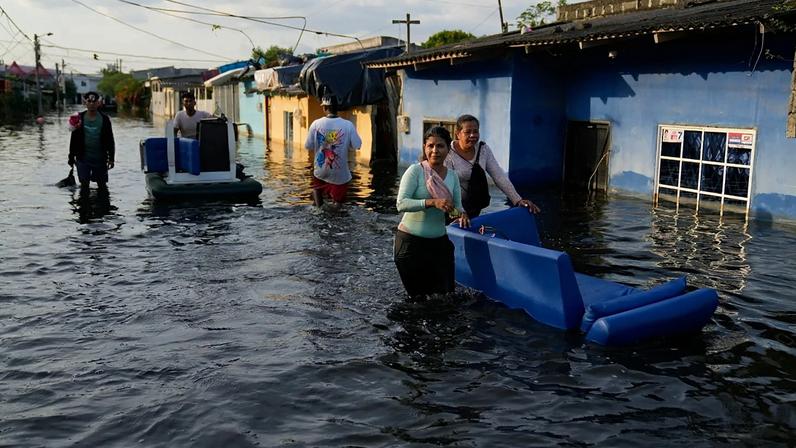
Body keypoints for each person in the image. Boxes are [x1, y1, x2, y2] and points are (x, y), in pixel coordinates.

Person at [394, 126, 470, 299]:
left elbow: (457, 207)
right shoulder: (415, 171)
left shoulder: (452, 176)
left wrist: (461, 214)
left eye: (440, 146)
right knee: (419, 301)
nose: (435, 150)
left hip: (439, 244)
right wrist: (431, 202)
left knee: (446, 296)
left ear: (448, 149)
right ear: (424, 148)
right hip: (410, 245)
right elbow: (401, 204)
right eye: (431, 146)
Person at [445, 114, 541, 217]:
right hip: (452, 209)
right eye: (467, 132)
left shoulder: (483, 149)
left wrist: (518, 200)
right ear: (457, 134)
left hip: (474, 207)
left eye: (475, 131)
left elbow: (499, 176)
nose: (472, 135)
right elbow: (447, 187)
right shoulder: (448, 153)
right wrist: (459, 212)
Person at [304, 95, 362, 211]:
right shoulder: (348, 125)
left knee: (316, 188)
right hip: (339, 174)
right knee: (338, 207)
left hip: (321, 171)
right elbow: (357, 145)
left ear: (325, 108)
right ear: (337, 108)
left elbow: (308, 146)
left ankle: (319, 209)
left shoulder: (316, 124)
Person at [68, 91, 115, 192]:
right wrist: (71, 157)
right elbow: (74, 140)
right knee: (84, 185)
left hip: (100, 158)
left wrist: (111, 158)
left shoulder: (105, 119)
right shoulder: (78, 118)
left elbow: (110, 139)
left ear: (98, 103)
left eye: (94, 102)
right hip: (82, 158)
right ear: (85, 103)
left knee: (102, 185)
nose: (92, 104)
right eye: (89, 101)